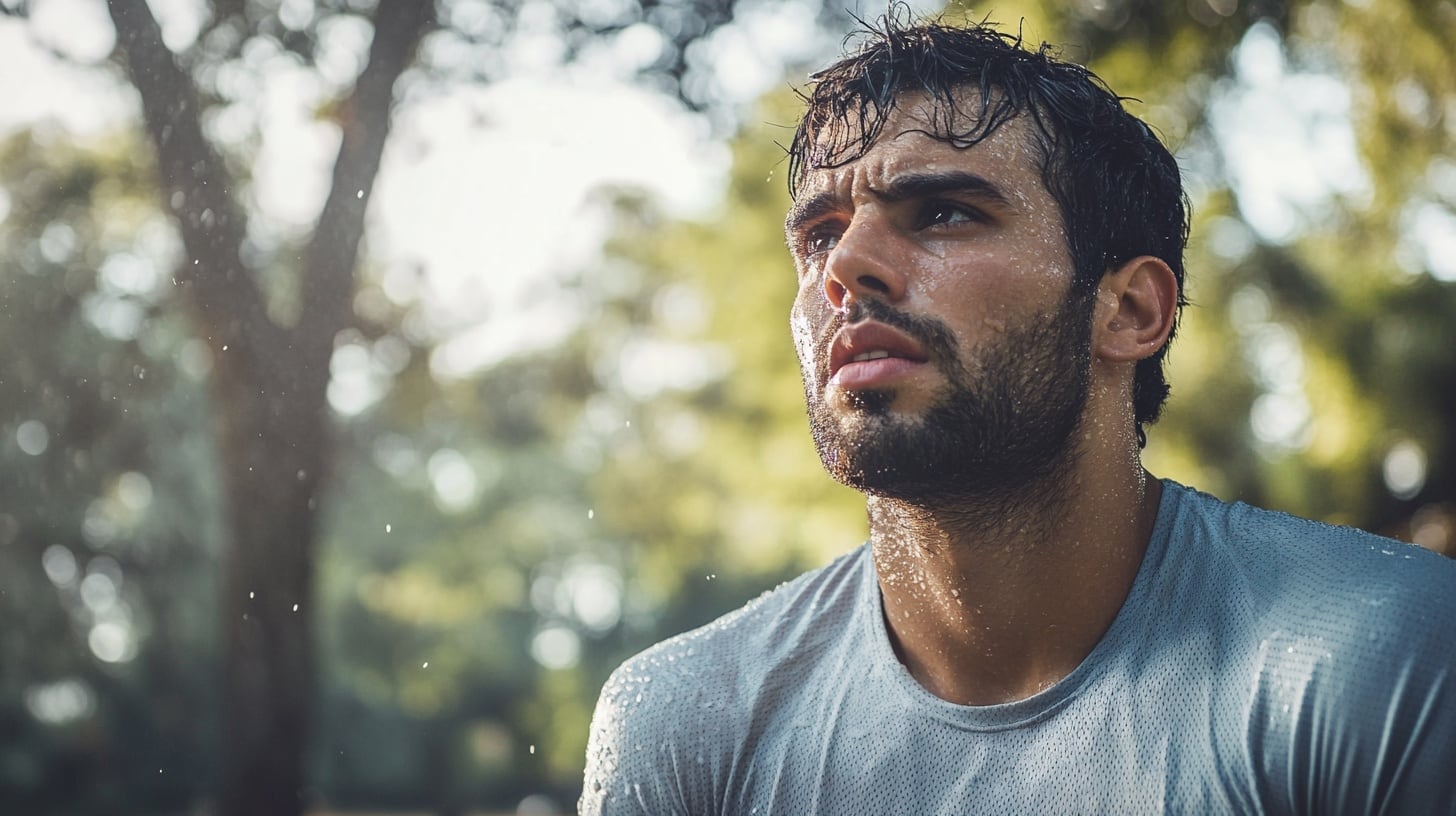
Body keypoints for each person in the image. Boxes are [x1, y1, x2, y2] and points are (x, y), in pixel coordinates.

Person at [580, 15, 1456, 815]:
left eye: (945, 213)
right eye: (818, 235)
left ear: (1129, 313)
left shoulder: (1376, 658)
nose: (845, 266)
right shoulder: (689, 726)